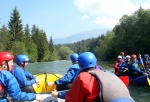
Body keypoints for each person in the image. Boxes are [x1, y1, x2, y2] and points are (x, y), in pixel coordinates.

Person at [51, 52, 134, 102]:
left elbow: (72, 99)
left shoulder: (83, 77)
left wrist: (58, 95)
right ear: (95, 63)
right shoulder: (109, 73)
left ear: (80, 66)